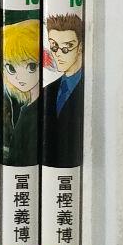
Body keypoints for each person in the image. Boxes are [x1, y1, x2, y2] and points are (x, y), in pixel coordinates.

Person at [41, 14, 84, 168]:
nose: (58, 54)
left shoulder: (88, 88)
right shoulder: (48, 91)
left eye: (66, 47)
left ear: (80, 47)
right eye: (54, 46)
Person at [2, 18, 41, 168]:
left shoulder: (37, 111)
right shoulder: (25, 107)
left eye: (31, 66)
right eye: (11, 68)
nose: (20, 77)